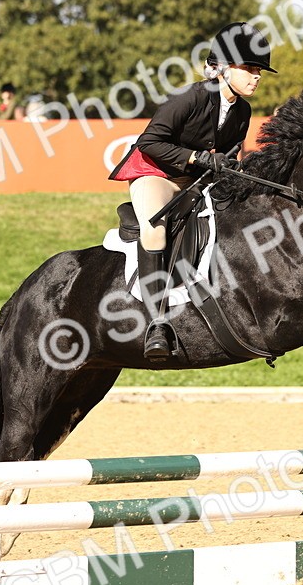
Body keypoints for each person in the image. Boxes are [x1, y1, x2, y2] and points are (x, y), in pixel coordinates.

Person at [107, 21, 275, 361]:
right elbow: (149, 142)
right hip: (156, 174)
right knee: (155, 230)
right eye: (249, 69)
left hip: (196, 181)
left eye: (258, 71)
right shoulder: (191, 97)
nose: (256, 77)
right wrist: (196, 157)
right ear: (223, 68)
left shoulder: (242, 110)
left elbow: (228, 154)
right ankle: (156, 323)